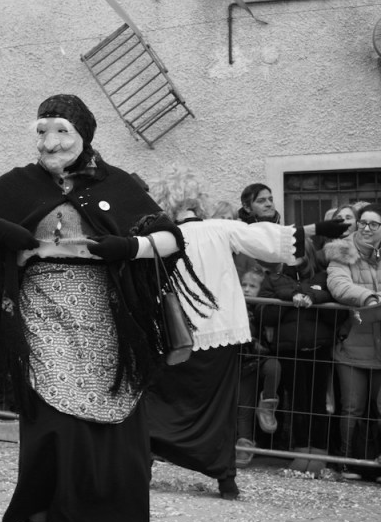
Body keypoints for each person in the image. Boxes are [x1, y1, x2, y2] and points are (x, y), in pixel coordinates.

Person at [0, 94, 192, 522]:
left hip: (105, 319)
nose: (49, 143)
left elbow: (169, 238)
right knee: (56, 431)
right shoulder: (22, 182)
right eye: (41, 132)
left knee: (107, 439)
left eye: (61, 132)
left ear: (84, 136)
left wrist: (130, 246)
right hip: (41, 310)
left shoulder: (115, 183)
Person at [144, 168, 347, 500]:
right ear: (198, 199)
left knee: (164, 399)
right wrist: (317, 228)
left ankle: (146, 460)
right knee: (220, 405)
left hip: (174, 333)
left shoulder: (159, 237)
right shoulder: (220, 228)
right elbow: (267, 238)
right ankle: (225, 479)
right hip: (222, 331)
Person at [257, 251, 340, 475]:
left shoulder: (324, 277)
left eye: (299, 249)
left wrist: (313, 297)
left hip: (319, 348)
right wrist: (290, 299)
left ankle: (319, 453)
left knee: (319, 403)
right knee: (296, 402)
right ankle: (301, 451)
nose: (294, 254)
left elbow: (336, 311)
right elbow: (264, 313)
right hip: (289, 349)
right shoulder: (273, 279)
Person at [324, 203, 381, 479]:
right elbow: (338, 284)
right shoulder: (343, 253)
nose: (367, 228)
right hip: (354, 342)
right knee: (352, 407)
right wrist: (368, 297)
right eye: (363, 222)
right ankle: (347, 463)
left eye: (374, 224)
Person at [234, 267, 281, 468]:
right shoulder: (236, 306)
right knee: (244, 405)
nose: (246, 289)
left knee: (274, 368)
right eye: (243, 285)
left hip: (262, 359)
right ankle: (244, 443)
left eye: (252, 286)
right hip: (244, 362)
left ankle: (267, 406)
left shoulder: (267, 309)